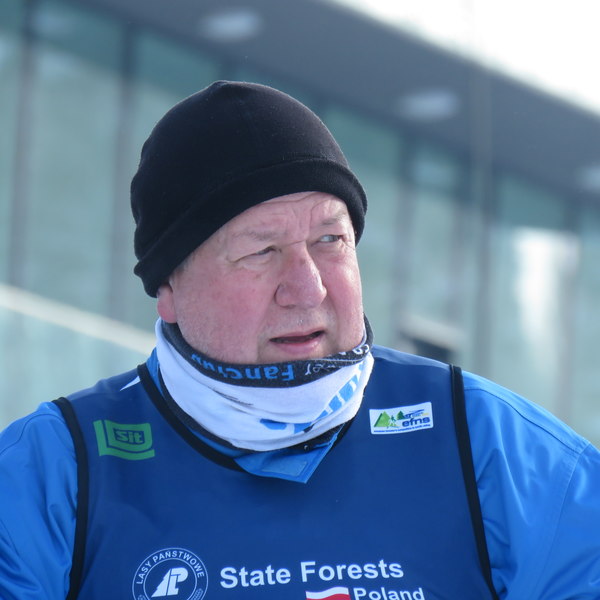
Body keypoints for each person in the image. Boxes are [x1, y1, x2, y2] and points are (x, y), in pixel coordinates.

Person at [0, 81, 598, 600]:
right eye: (262, 251)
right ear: (170, 289)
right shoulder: (55, 470)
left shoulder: (487, 443)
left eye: (330, 241)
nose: (307, 287)